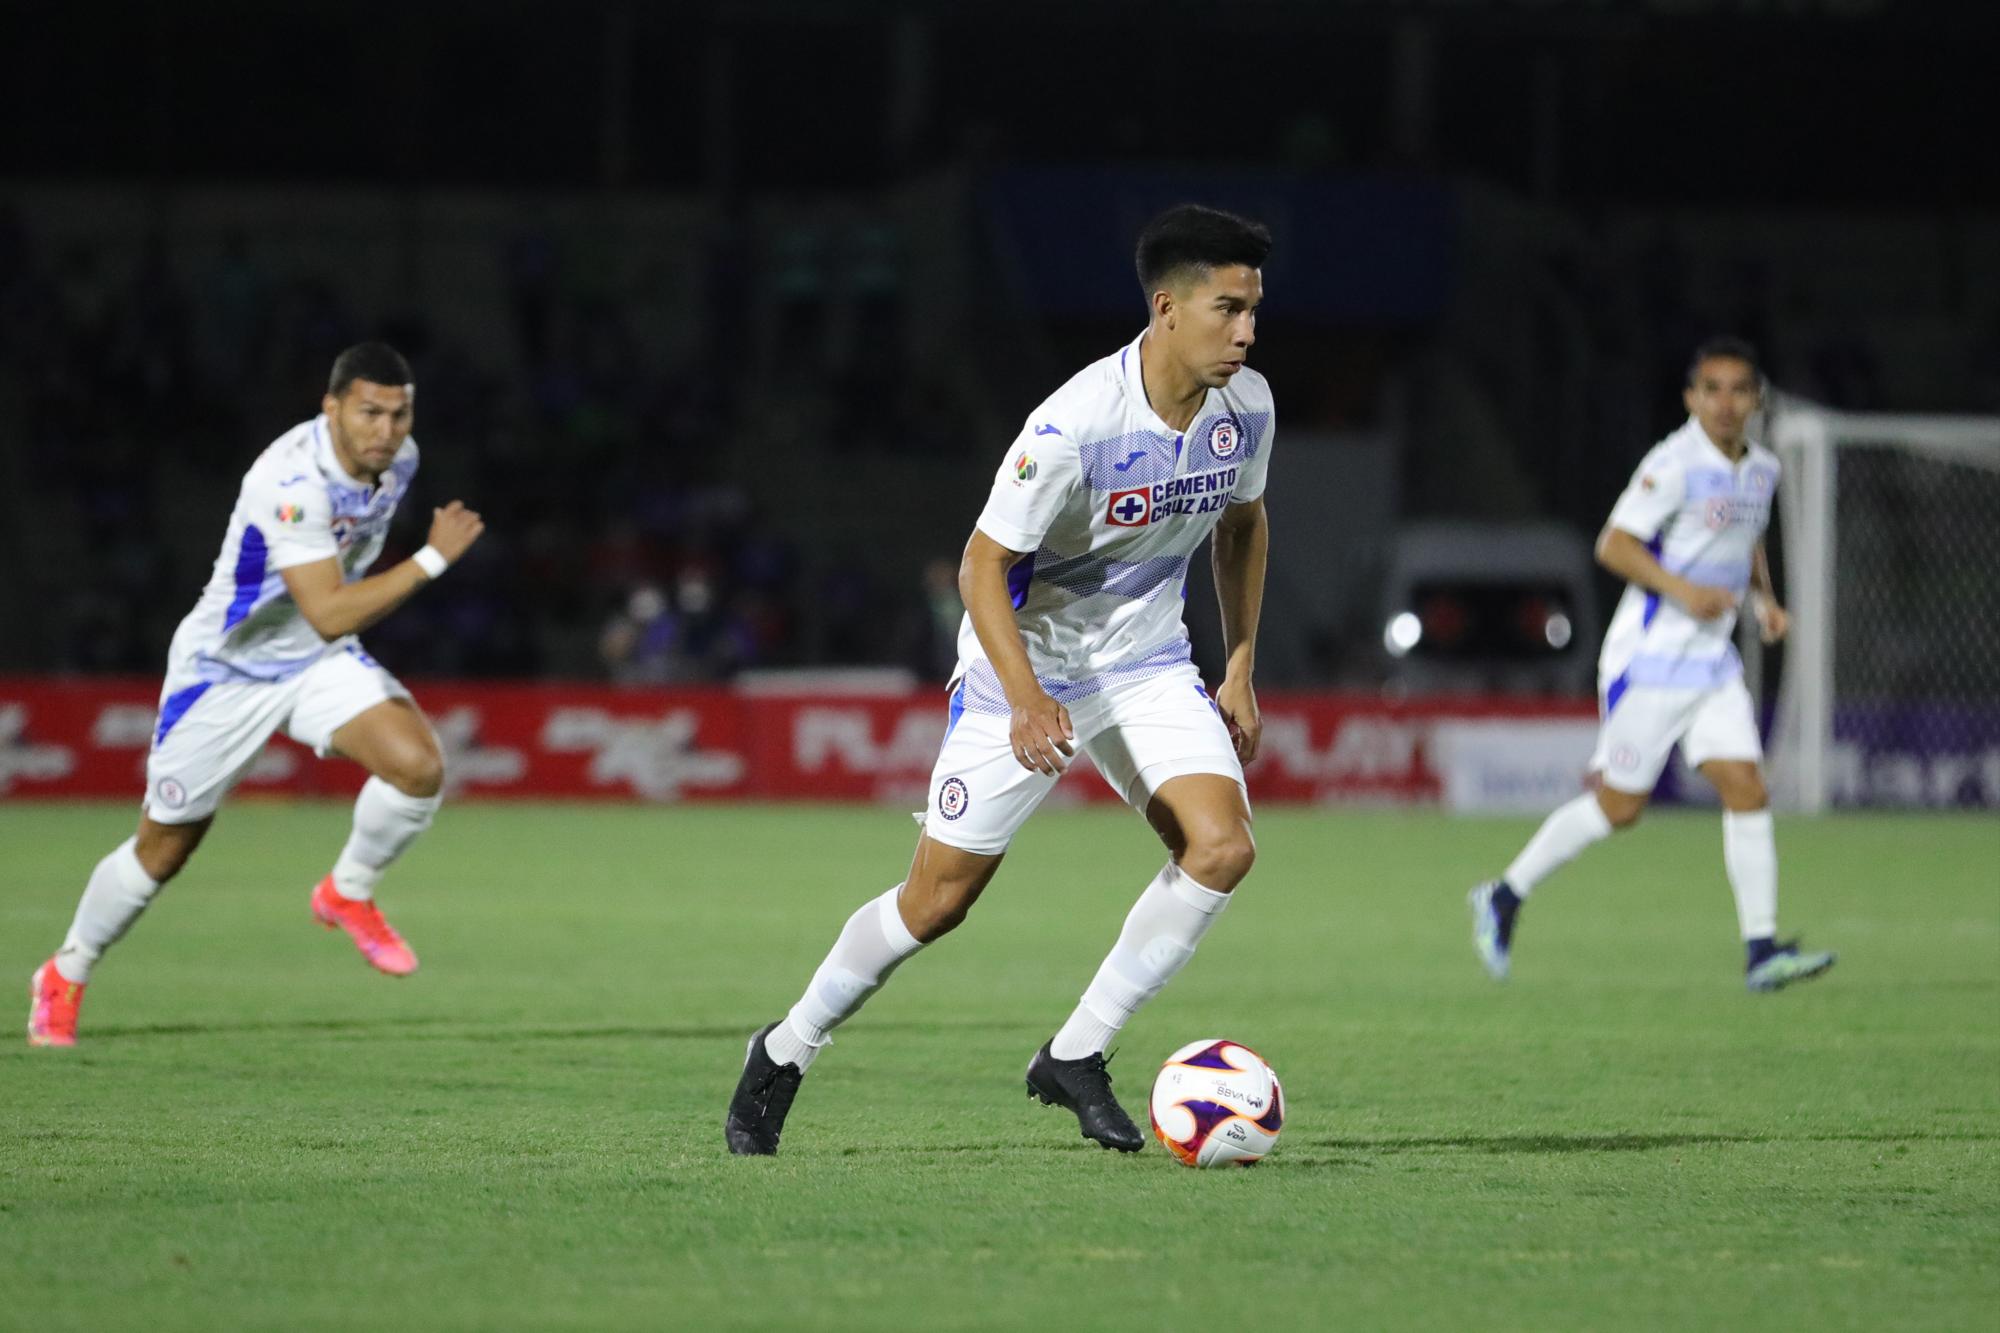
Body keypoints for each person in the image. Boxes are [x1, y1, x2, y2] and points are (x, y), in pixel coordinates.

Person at [725, 204, 1276, 1155]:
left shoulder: (1248, 407)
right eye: (1228, 309)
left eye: (1254, 310)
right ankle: (786, 1044)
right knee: (936, 902)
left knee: (1221, 847)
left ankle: (1076, 1053)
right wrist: (1025, 697)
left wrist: (1238, 665)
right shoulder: (1071, 426)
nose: (1247, 332)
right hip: (1021, 666)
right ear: (1166, 308)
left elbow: (1242, 525)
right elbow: (982, 564)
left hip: (1146, 665)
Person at [27, 342, 485, 1047]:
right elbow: (329, 606)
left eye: (400, 414)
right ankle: (66, 969)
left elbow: (327, 621)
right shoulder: (289, 478)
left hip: (314, 657)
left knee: (418, 766)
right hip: (226, 671)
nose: (386, 430)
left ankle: (347, 891)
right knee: (164, 850)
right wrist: (430, 559)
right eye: (369, 411)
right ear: (330, 408)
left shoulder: (403, 460)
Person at [1468, 337, 1835, 993]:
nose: (1725, 403)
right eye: (1712, 389)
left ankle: (1761, 951)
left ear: (1757, 399)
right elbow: (1614, 545)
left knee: (1747, 786)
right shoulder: (1674, 463)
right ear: (1692, 397)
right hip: (1652, 660)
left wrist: (1765, 600)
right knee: (1619, 806)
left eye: (1738, 389)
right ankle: (1504, 894)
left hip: (1713, 663)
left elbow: (1743, 538)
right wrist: (1684, 591)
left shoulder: (1764, 470)